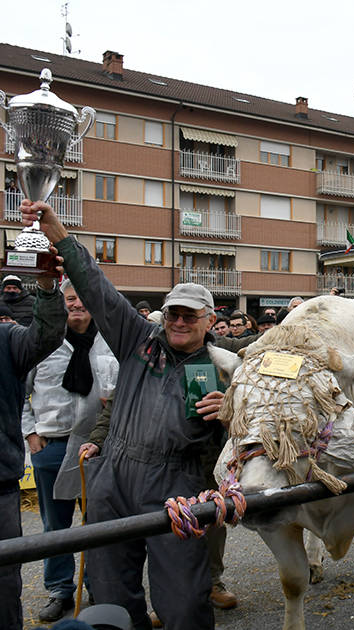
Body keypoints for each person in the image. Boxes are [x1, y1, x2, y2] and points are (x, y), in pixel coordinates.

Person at [21, 198, 236, 630]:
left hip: (179, 485)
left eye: (189, 316)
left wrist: (230, 413)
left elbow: (242, 442)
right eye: (173, 312)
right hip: (114, 479)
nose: (178, 321)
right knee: (111, 593)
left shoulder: (221, 366)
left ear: (208, 319)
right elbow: (97, 287)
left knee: (184, 599)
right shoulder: (138, 338)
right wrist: (58, 233)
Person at [21, 280, 118, 622]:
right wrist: (30, 432)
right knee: (55, 525)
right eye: (70, 298)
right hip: (51, 445)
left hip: (97, 448)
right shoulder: (42, 342)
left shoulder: (112, 341)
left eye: (82, 297)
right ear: (61, 302)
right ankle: (60, 589)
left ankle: (94, 585)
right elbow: (20, 388)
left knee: (97, 522)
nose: (77, 304)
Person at [0, 259, 66, 630]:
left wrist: (45, 287)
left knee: (4, 583)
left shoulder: (7, 338)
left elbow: (46, 335)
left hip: (0, 485)